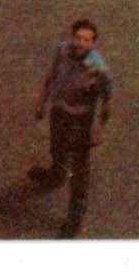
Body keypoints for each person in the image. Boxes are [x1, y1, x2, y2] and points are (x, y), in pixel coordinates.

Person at [31, 16, 114, 236]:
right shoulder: (62, 50)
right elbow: (51, 76)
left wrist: (99, 128)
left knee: (79, 169)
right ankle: (56, 176)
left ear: (93, 43)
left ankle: (75, 216)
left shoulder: (97, 69)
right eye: (78, 37)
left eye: (87, 40)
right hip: (60, 111)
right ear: (71, 37)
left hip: (81, 121)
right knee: (56, 148)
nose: (80, 43)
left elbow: (107, 100)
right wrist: (41, 102)